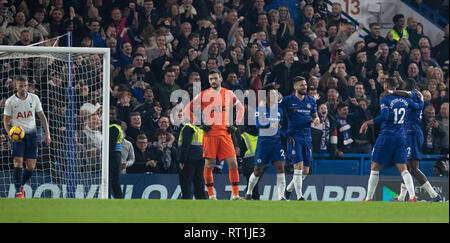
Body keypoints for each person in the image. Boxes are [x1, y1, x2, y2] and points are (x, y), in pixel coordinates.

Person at [183, 69, 245, 200]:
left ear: (221, 78)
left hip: (225, 134)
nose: (213, 81)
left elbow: (241, 108)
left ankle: (235, 195)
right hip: (209, 134)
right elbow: (187, 109)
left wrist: (235, 124)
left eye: (215, 78)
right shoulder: (203, 95)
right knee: (209, 164)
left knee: (233, 163)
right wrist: (198, 123)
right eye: (211, 79)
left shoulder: (229, 94)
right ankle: (211, 195)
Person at [359, 77, 423, 202]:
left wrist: (368, 122)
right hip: (402, 137)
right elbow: (418, 106)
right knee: (403, 169)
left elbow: (384, 116)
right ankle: (412, 196)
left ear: (386, 85)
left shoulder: (385, 98)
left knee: (375, 166)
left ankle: (369, 197)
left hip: (387, 136)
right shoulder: (405, 99)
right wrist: (421, 100)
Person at [389, 79, 442, 202]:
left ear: (408, 87)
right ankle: (402, 197)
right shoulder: (414, 95)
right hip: (410, 134)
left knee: (413, 169)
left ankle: (434, 195)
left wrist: (392, 91)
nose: (402, 87)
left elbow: (406, 92)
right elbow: (408, 87)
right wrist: (400, 78)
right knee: (406, 168)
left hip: (413, 134)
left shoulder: (413, 94)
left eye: (403, 86)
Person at [3, 75, 51, 198]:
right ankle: (19, 191)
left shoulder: (34, 98)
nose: (23, 88)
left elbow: (42, 116)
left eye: (25, 86)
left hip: (32, 135)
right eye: (20, 86)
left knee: (31, 166)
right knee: (18, 162)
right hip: (18, 136)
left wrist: (47, 133)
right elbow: (6, 121)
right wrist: (10, 134)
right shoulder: (10, 102)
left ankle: (20, 184)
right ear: (15, 86)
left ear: (27, 85)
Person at [281, 76, 320, 200]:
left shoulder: (311, 101)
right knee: (298, 166)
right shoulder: (287, 100)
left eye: (305, 85)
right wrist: (285, 133)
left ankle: (287, 190)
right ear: (295, 87)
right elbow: (277, 114)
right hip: (294, 137)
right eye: (302, 85)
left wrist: (316, 119)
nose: (305, 87)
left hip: (307, 138)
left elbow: (315, 115)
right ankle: (299, 196)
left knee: (305, 171)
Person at [245, 89, 287, 200]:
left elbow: (280, 127)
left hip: (276, 144)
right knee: (258, 171)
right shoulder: (260, 110)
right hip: (264, 144)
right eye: (272, 94)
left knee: (281, 168)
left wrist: (288, 135)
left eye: (276, 94)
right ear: (267, 97)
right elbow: (258, 124)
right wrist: (270, 123)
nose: (274, 96)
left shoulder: (279, 111)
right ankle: (249, 192)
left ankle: (281, 197)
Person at [177, 118, 207, 200]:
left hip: (189, 160)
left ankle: (186, 204)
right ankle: (203, 205)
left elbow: (185, 145)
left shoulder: (188, 127)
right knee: (199, 184)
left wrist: (182, 160)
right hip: (201, 159)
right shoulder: (201, 129)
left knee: (186, 185)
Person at [109, 106, 124, 199]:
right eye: (109, 114)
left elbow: (111, 145)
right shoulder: (117, 126)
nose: (110, 116)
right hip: (117, 154)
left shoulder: (113, 127)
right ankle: (119, 198)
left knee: (110, 179)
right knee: (115, 180)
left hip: (113, 155)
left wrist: (107, 157)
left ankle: (106, 197)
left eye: (113, 114)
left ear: (116, 115)